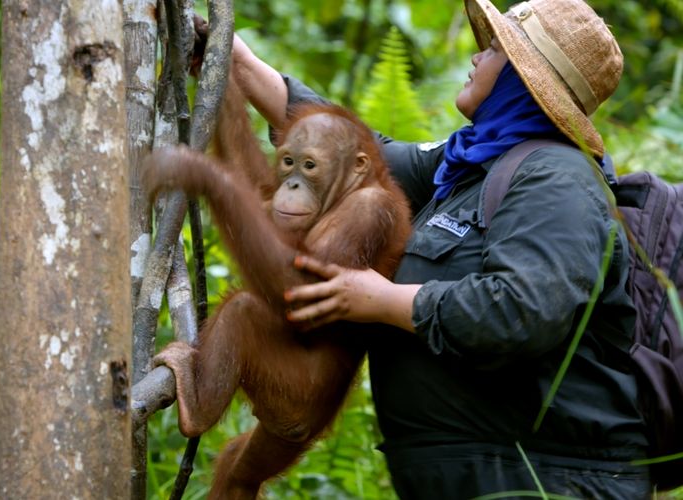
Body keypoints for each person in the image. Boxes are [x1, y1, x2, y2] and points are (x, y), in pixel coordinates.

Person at [228, 0, 652, 497]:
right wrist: (237, 62)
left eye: (492, 51)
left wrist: (384, 301)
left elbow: (523, 310)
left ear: (523, 80)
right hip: (481, 475)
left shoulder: (556, 179)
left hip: (549, 479)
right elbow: (351, 153)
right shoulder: (469, 165)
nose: (476, 58)